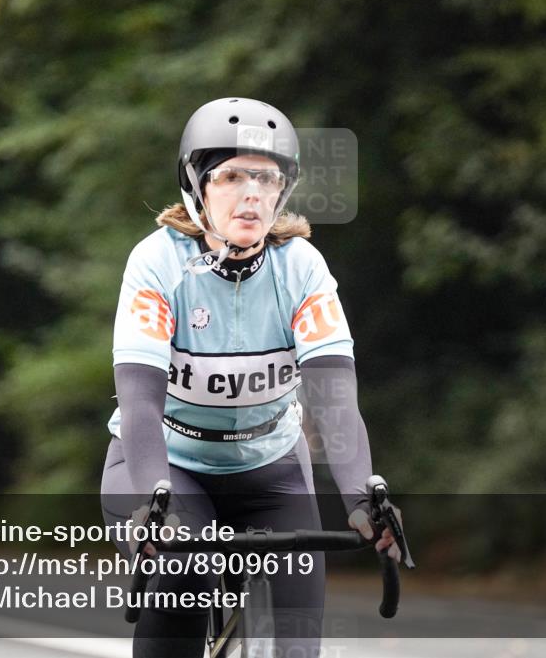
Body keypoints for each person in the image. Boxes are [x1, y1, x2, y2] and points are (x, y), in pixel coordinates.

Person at [100, 97, 399, 658]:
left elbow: (334, 401)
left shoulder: (301, 267)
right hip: (171, 466)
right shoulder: (157, 263)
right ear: (197, 186)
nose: (252, 193)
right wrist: (154, 498)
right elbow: (140, 404)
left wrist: (363, 496)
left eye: (267, 178)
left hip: (270, 472)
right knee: (183, 575)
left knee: (297, 641)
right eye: (233, 176)